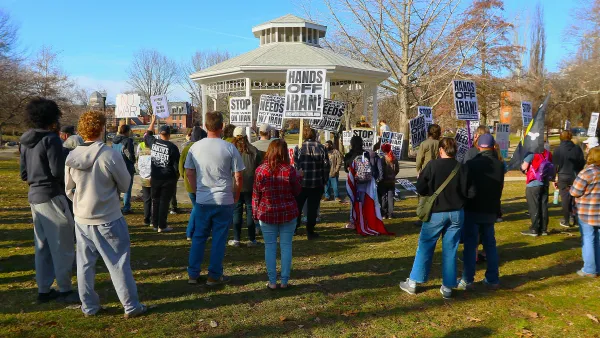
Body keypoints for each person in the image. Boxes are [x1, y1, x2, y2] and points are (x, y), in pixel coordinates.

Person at [65, 110, 146, 318]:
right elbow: (125, 183)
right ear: (102, 128)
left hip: (82, 218)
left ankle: (89, 306)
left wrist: (80, 202)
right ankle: (131, 306)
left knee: (84, 265)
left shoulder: (72, 156)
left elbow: (68, 188)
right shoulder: (109, 155)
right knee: (118, 262)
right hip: (108, 217)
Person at [19, 97, 79, 304]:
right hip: (52, 195)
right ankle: (65, 288)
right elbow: (57, 170)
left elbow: (24, 174)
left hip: (34, 197)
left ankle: (43, 289)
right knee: (62, 244)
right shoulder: (51, 139)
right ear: (51, 116)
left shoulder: (25, 141)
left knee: (42, 244)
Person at [399, 138, 474, 299]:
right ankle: (448, 286)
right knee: (451, 249)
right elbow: (471, 192)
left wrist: (430, 193)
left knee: (425, 246)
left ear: (441, 150)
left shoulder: (432, 165)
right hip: (456, 213)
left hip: (436, 212)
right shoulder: (462, 168)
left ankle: (413, 282)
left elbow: (420, 187)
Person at [185, 111, 244, 286]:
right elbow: (238, 176)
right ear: (222, 126)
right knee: (219, 239)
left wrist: (196, 191)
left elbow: (189, 172)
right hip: (224, 199)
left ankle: (193, 274)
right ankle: (214, 275)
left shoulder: (195, 147)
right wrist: (236, 196)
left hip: (203, 199)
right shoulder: (229, 147)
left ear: (205, 126)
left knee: (199, 237)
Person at [252, 140, 303, 290]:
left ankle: (272, 281)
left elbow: (256, 195)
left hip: (267, 212)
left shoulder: (260, 170)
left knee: (270, 247)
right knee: (286, 246)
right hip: (287, 211)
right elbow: (297, 191)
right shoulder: (289, 170)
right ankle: (284, 281)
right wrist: (299, 177)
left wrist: (255, 214)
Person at [458, 134, 505, 291]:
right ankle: (492, 278)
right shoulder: (499, 165)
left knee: (471, 246)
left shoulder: (471, 164)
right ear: (492, 146)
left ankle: (467, 279)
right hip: (490, 209)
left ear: (479, 146)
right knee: (490, 244)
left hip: (473, 209)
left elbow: (464, 187)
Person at [145, 115, 180, 233]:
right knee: (164, 202)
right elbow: (176, 166)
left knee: (155, 201)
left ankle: (154, 223)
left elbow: (147, 134)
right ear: (169, 135)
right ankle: (162, 225)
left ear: (160, 134)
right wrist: (176, 177)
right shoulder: (173, 147)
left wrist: (153, 121)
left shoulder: (153, 142)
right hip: (167, 178)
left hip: (155, 176)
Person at [293, 127, 330, 239]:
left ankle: (294, 228)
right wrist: (324, 180)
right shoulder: (321, 147)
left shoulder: (298, 148)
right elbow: (326, 166)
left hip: (301, 184)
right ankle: (310, 231)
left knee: (297, 207)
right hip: (316, 182)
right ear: (314, 135)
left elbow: (295, 165)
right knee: (312, 208)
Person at [570, 147, 600, 277]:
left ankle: (589, 269)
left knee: (588, 239)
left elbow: (575, 192)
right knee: (597, 240)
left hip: (587, 212)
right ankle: (596, 266)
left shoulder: (587, 173)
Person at [229, 127, 262, 247]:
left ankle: (236, 239)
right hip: (250, 185)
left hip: (235, 185)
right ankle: (251, 239)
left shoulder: (230, 150)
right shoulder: (253, 150)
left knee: (237, 211)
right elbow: (259, 168)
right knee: (250, 211)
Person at [552, 130, 586, 228]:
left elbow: (555, 165)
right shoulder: (577, 149)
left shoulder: (557, 150)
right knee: (575, 197)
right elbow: (581, 162)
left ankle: (566, 219)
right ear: (570, 137)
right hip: (575, 175)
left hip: (563, 176)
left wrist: (554, 178)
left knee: (565, 198)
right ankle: (573, 217)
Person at [181, 126, 207, 240]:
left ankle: (195, 231)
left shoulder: (186, 149)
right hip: (199, 183)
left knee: (198, 208)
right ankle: (190, 232)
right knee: (198, 208)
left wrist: (184, 178)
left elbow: (180, 167)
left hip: (189, 183)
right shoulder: (200, 148)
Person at [521, 148, 553, 236]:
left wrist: (523, 168)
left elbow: (524, 167)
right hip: (545, 182)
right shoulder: (548, 153)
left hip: (533, 183)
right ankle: (543, 229)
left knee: (534, 206)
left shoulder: (531, 153)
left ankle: (534, 229)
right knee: (543, 206)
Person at [112, 124, 136, 214]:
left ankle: (115, 206)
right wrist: (133, 160)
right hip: (127, 167)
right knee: (127, 188)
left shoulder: (114, 141)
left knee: (116, 188)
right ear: (127, 131)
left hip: (115, 166)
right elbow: (129, 155)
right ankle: (126, 207)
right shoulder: (128, 141)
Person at [137, 130, 153, 227]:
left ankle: (146, 218)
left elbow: (137, 160)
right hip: (153, 177)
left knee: (147, 199)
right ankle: (153, 220)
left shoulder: (141, 148)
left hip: (143, 176)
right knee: (154, 199)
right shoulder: (154, 148)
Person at [379, 143, 400, 219]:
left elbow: (380, 170)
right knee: (391, 197)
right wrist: (393, 175)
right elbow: (397, 169)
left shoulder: (382, 159)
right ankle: (390, 214)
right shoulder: (394, 158)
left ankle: (384, 214)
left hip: (384, 181)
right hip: (392, 181)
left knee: (383, 197)